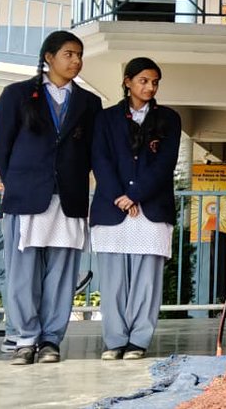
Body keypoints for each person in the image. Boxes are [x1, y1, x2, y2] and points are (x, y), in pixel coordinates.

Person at [0, 30, 102, 365]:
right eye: (69, 54)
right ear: (49, 57)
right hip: (27, 197)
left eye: (79, 55)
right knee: (22, 272)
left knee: (62, 273)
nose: (76, 61)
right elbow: (1, 144)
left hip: (68, 197)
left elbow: (93, 150)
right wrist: (16, 182)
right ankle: (24, 339)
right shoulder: (17, 94)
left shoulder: (88, 103)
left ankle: (51, 339)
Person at [89, 57, 182, 360]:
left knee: (147, 279)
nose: (150, 87)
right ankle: (115, 340)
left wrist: (135, 195)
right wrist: (119, 195)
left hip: (151, 206)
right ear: (127, 81)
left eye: (154, 82)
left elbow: (165, 164)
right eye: (143, 80)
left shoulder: (169, 119)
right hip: (111, 207)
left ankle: (138, 341)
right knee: (113, 278)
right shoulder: (106, 118)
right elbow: (100, 160)